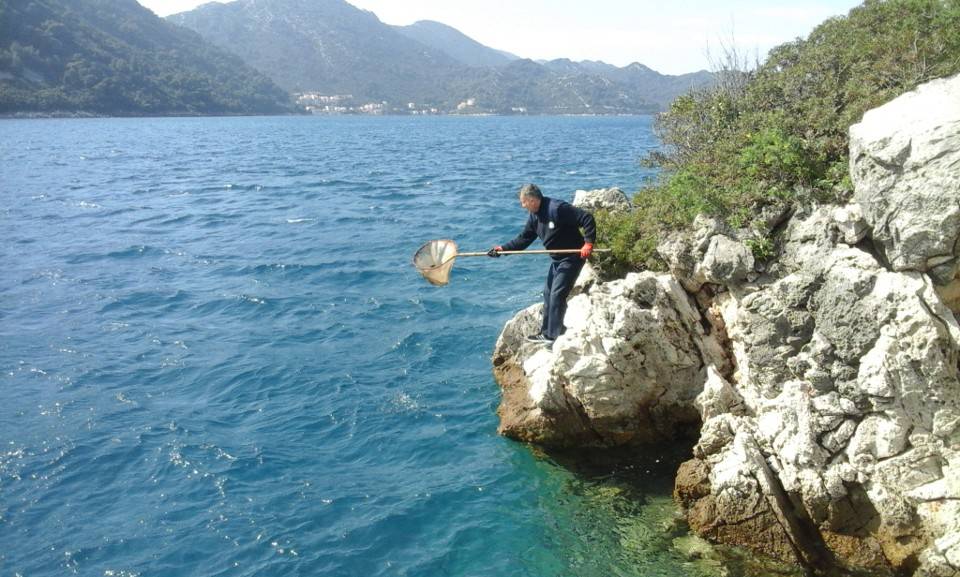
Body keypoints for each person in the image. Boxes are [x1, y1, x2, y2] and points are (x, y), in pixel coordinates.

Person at [488, 183, 596, 345]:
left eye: (523, 202)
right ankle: (549, 331)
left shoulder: (557, 208)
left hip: (573, 256)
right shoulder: (534, 217)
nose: (522, 206)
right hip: (558, 259)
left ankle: (552, 336)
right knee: (548, 293)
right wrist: (502, 249)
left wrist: (588, 243)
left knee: (557, 294)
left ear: (532, 200)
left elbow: (586, 218)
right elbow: (523, 239)